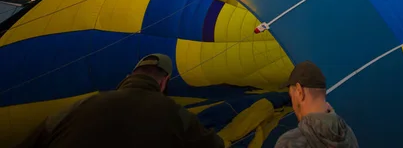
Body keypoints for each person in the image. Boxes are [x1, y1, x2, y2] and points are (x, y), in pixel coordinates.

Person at [15, 54, 224, 148]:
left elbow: (33, 140)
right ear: (164, 83)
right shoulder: (177, 115)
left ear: (128, 76)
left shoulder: (83, 104)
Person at [275, 61, 359, 148]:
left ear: (300, 92)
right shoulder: (348, 135)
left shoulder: (289, 142)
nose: (293, 105)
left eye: (291, 96)